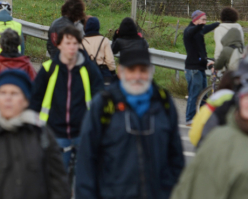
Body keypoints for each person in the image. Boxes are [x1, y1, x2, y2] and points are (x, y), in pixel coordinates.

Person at [76, 46, 185, 199]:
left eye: (143, 70)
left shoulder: (163, 102)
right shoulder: (103, 104)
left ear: (151, 72)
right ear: (120, 72)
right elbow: (86, 160)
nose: (137, 76)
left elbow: (176, 157)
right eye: (131, 70)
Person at [0, 69, 71, 199]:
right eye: (2, 93)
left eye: (14, 93)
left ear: (26, 100)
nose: (8, 98)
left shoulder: (43, 136)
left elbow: (59, 185)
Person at [30, 25, 104, 170]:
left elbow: (100, 98)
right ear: (59, 45)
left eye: (75, 43)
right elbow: (35, 100)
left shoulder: (89, 69)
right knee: (58, 180)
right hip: (55, 132)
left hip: (83, 133)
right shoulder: (48, 69)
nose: (72, 47)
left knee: (84, 180)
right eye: (67, 43)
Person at [0, 29, 36, 117]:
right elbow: (35, 91)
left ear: (1, 45)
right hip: (20, 113)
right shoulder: (27, 65)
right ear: (18, 44)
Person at [183, 10, 220, 124]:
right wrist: (200, 26)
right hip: (193, 68)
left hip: (200, 67)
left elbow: (209, 27)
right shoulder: (189, 30)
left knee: (203, 96)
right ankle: (190, 118)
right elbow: (194, 30)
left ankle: (203, 118)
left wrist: (220, 23)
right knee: (195, 94)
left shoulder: (199, 30)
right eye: (203, 19)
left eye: (205, 19)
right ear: (196, 20)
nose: (205, 22)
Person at [81, 17, 116, 85]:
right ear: (98, 27)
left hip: (86, 72)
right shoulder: (104, 40)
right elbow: (110, 60)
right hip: (102, 72)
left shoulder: (81, 42)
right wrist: (112, 71)